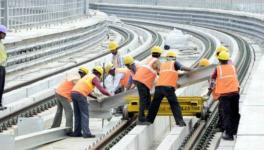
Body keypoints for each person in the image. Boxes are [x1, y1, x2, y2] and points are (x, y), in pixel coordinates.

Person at [145, 50, 191, 126]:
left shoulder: (163, 65)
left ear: (167, 58)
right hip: (168, 88)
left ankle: (149, 120)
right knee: (174, 104)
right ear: (174, 58)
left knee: (154, 105)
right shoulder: (174, 63)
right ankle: (180, 122)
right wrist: (192, 70)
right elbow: (182, 68)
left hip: (158, 88)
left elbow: (167, 74)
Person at [207, 51, 240, 141]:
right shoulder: (233, 67)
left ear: (219, 60)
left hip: (225, 95)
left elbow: (213, 81)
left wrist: (209, 90)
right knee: (235, 113)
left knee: (227, 114)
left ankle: (229, 135)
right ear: (227, 59)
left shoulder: (218, 69)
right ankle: (234, 131)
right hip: (235, 93)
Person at [70, 66, 111, 138]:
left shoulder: (87, 76)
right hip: (80, 94)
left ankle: (77, 132)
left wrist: (96, 97)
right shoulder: (94, 78)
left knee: (77, 114)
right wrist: (109, 95)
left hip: (73, 93)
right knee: (85, 114)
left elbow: (87, 92)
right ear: (99, 74)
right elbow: (101, 89)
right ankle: (86, 133)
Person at [51, 67, 89, 133]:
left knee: (59, 111)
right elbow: (79, 89)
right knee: (69, 112)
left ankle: (54, 126)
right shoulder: (77, 79)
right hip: (63, 95)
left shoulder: (74, 76)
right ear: (83, 73)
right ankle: (69, 129)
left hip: (58, 92)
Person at [133, 46, 162, 123]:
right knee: (143, 99)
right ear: (159, 54)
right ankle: (141, 117)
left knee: (148, 97)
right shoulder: (157, 61)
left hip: (139, 79)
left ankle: (148, 114)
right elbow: (160, 72)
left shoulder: (149, 59)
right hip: (142, 81)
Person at [0, 25, 7, 110]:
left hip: (2, 67)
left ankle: (0, 103)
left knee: (1, 87)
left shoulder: (1, 42)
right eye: (3, 33)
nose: (5, 35)